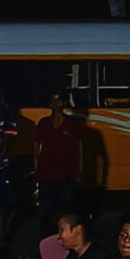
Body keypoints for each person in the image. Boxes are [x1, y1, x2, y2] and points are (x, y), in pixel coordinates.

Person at [31, 92, 87, 225]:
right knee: (46, 210)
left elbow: (79, 148)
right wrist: (36, 168)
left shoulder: (71, 123)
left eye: (58, 100)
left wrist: (79, 171)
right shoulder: (43, 123)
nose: (56, 103)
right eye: (53, 100)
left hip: (66, 175)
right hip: (46, 174)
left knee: (65, 210)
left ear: (64, 103)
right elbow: (36, 146)